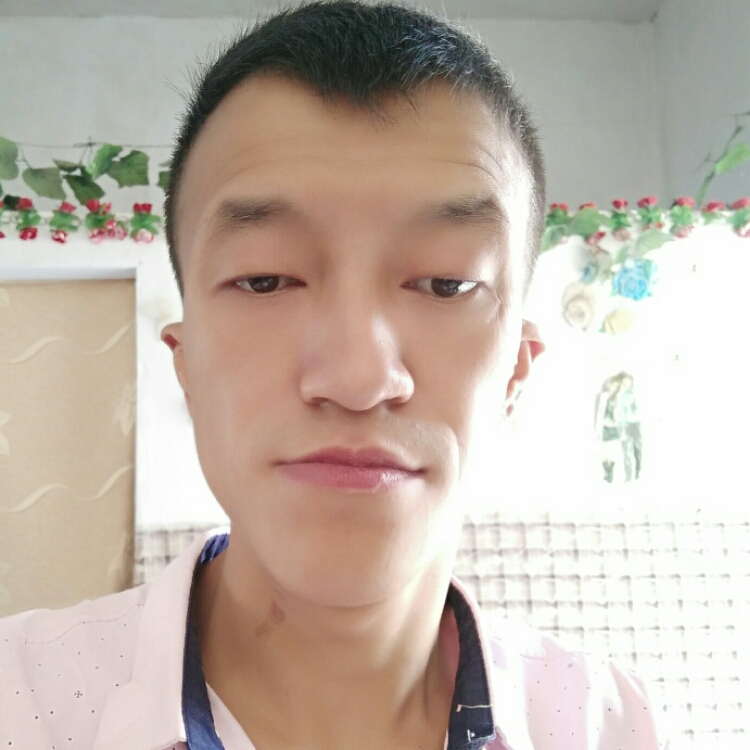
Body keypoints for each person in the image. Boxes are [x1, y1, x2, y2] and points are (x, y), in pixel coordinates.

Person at [0, 2, 668, 748]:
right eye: (265, 279)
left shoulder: (611, 723)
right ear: (185, 362)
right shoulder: (18, 702)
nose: (357, 377)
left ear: (516, 368)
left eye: (446, 283)